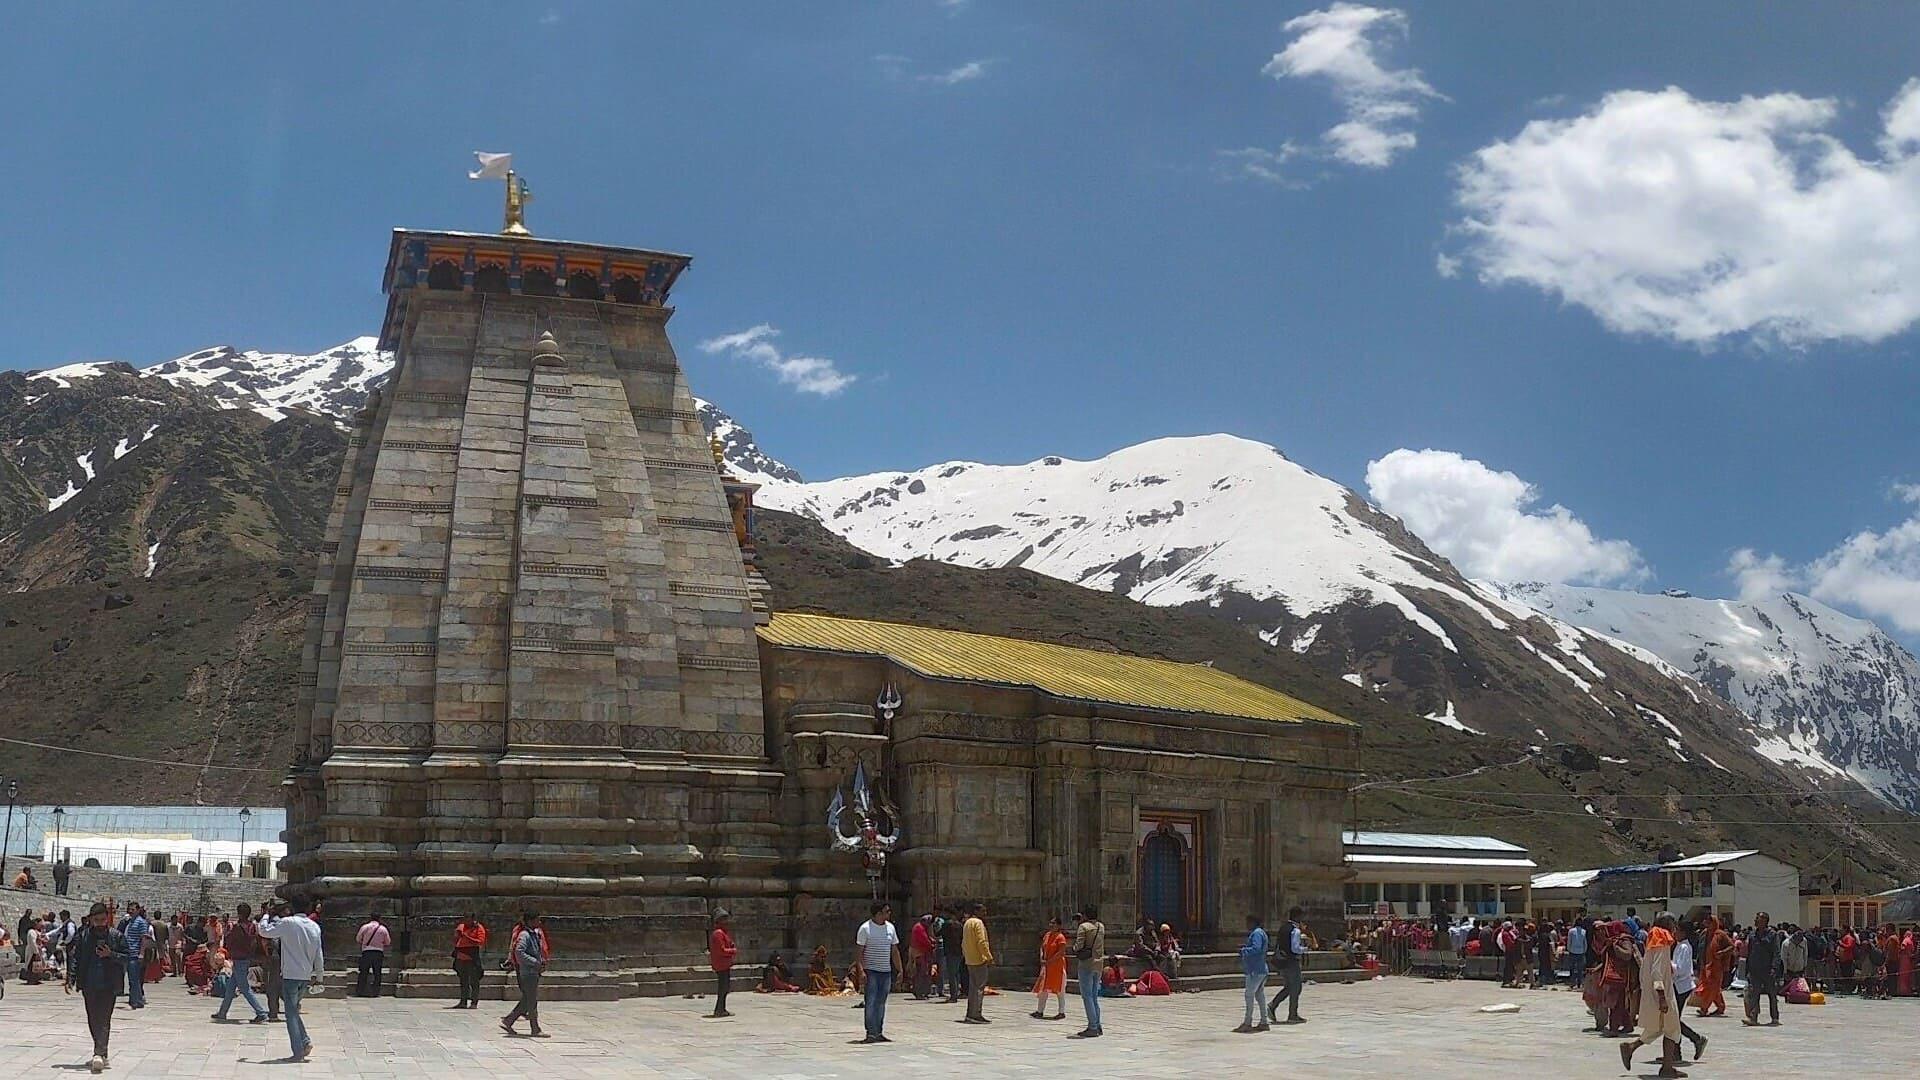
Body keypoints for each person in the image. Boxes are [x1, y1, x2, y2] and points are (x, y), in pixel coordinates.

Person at [1619, 916, 1685, 1079]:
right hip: (1662, 995)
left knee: (1658, 1028)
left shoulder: (1654, 940)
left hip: (1656, 993)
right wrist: (1661, 995)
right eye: (1673, 924)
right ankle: (1667, 1069)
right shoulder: (1661, 941)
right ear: (1668, 924)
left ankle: (1631, 1047)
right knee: (1672, 1029)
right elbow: (1656, 972)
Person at [66, 902, 127, 1074]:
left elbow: (127, 957)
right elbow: (76, 957)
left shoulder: (116, 936)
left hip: (109, 984)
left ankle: (98, 1053)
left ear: (107, 919)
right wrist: (71, 977)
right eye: (96, 920)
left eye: (102, 919)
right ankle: (102, 1053)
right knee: (93, 1019)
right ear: (91, 920)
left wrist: (111, 954)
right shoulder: (84, 936)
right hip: (89, 984)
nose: (100, 923)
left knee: (104, 1019)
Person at [258, 902, 322, 1062]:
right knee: (293, 1011)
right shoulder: (314, 927)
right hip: (306, 975)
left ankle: (298, 1050)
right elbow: (319, 953)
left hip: (291, 974)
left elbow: (264, 931)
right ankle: (305, 1041)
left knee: (291, 1013)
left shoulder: (288, 923)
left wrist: (266, 915)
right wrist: (319, 977)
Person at [213, 902, 269, 1024]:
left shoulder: (238, 927)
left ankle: (261, 1013)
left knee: (244, 988)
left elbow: (230, 940)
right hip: (246, 958)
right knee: (230, 988)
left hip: (238, 958)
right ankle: (222, 1012)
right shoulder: (252, 926)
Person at [855, 901, 901, 1044]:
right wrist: (861, 970)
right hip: (871, 971)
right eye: (886, 911)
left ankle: (879, 1031)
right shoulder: (865, 929)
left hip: (885, 971)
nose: (889, 914)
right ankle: (871, 1032)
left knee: (881, 1002)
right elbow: (859, 952)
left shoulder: (891, 928)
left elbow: (894, 950)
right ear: (878, 913)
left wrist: (900, 969)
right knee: (871, 1002)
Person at [500, 911, 549, 1038]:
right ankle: (535, 1029)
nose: (539, 922)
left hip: (533, 972)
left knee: (528, 999)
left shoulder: (534, 934)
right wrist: (535, 962)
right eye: (537, 920)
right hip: (528, 972)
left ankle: (509, 1020)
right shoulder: (525, 935)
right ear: (530, 921)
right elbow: (519, 952)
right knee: (531, 1001)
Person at [1669, 919, 1708, 1062]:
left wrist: (1667, 965)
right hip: (1677, 985)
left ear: (1683, 932)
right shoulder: (1679, 946)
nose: (1674, 933)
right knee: (1673, 1020)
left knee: (1673, 1020)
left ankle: (1696, 1039)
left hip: (1681, 987)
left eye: (1677, 930)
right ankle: (1675, 1052)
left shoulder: (1684, 947)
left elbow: (1680, 969)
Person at [1266, 906, 1307, 1025]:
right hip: (1291, 962)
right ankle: (1292, 1014)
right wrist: (1304, 949)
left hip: (1282, 961)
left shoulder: (1283, 928)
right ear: (1297, 916)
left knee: (1289, 987)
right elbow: (1294, 948)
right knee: (1296, 987)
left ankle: (1273, 1005)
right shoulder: (1295, 930)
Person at [1071, 907, 1106, 1039]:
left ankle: (1092, 1026)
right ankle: (1097, 1025)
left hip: (1086, 964)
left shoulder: (1083, 927)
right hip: (1098, 963)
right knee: (1094, 996)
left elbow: (1079, 945)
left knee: (1087, 996)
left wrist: (1074, 948)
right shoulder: (1101, 926)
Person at [1742, 912, 1782, 1027]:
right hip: (1755, 970)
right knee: (1754, 994)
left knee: (1772, 995)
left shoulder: (1772, 935)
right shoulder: (1752, 935)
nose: (1755, 920)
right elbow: (1749, 952)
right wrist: (1747, 969)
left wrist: (1774, 967)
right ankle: (1753, 1017)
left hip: (1768, 969)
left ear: (1765, 921)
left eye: (1758, 919)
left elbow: (1776, 953)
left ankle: (1774, 1017)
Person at [1235, 913, 1270, 1033]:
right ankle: (1264, 1021)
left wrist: (1243, 950)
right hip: (1261, 969)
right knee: (1259, 995)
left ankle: (1247, 1022)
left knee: (1249, 995)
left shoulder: (1256, 933)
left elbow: (1256, 948)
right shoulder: (1261, 933)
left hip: (1255, 970)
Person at [961, 900, 993, 1024]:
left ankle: (970, 1013)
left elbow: (963, 942)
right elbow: (981, 941)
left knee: (973, 988)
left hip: (970, 959)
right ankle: (976, 1014)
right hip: (979, 959)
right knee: (979, 988)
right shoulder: (978, 923)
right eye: (983, 911)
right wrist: (988, 956)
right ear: (976, 911)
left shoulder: (967, 923)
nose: (985, 913)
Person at [1693, 915, 1731, 1017]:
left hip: (1716, 966)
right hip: (1704, 965)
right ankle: (1720, 1006)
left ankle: (1704, 1008)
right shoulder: (1704, 934)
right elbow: (1700, 949)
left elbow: (1731, 946)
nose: (1706, 923)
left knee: (1711, 988)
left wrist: (1722, 952)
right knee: (1712, 988)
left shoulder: (1721, 935)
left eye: (1709, 921)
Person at [1032, 915, 1068, 1020]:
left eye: (1054, 923)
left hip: (1057, 967)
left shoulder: (1060, 937)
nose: (1051, 925)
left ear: (1059, 925)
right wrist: (1042, 958)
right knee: (1043, 989)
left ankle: (1061, 1012)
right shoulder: (1047, 935)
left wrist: (1049, 961)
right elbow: (1042, 947)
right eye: (1050, 923)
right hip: (1046, 967)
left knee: (1060, 990)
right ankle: (1040, 1011)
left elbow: (1061, 952)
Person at [451, 912, 489, 1008]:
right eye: (465, 919)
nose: (466, 921)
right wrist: (456, 936)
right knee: (463, 981)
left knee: (474, 981)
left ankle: (474, 1002)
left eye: (468, 919)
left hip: (472, 958)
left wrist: (466, 937)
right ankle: (463, 1002)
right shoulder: (461, 926)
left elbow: (480, 942)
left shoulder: (478, 928)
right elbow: (455, 940)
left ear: (473, 919)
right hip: (461, 957)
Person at [708, 909, 737, 1018]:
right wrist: (733, 951)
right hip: (721, 965)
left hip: (724, 964)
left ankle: (722, 1009)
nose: (727, 922)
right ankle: (719, 1009)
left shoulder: (723, 933)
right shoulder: (718, 934)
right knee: (723, 988)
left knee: (725, 988)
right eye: (724, 919)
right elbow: (722, 950)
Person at [355, 913, 390, 998]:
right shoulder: (383, 929)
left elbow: (358, 939)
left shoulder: (365, 927)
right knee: (377, 973)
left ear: (370, 918)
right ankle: (375, 991)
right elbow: (388, 942)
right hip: (378, 952)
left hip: (367, 951)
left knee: (363, 972)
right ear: (379, 918)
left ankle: (361, 990)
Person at [938, 904, 967, 1004]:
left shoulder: (946, 924)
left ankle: (953, 996)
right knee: (956, 974)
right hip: (959, 951)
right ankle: (956, 993)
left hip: (950, 951)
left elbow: (938, 933)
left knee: (951, 974)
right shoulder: (960, 925)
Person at [909, 912, 937, 999]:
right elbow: (924, 940)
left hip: (921, 953)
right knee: (921, 973)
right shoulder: (919, 928)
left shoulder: (922, 927)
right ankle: (919, 992)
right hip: (920, 954)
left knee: (922, 973)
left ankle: (921, 992)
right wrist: (932, 945)